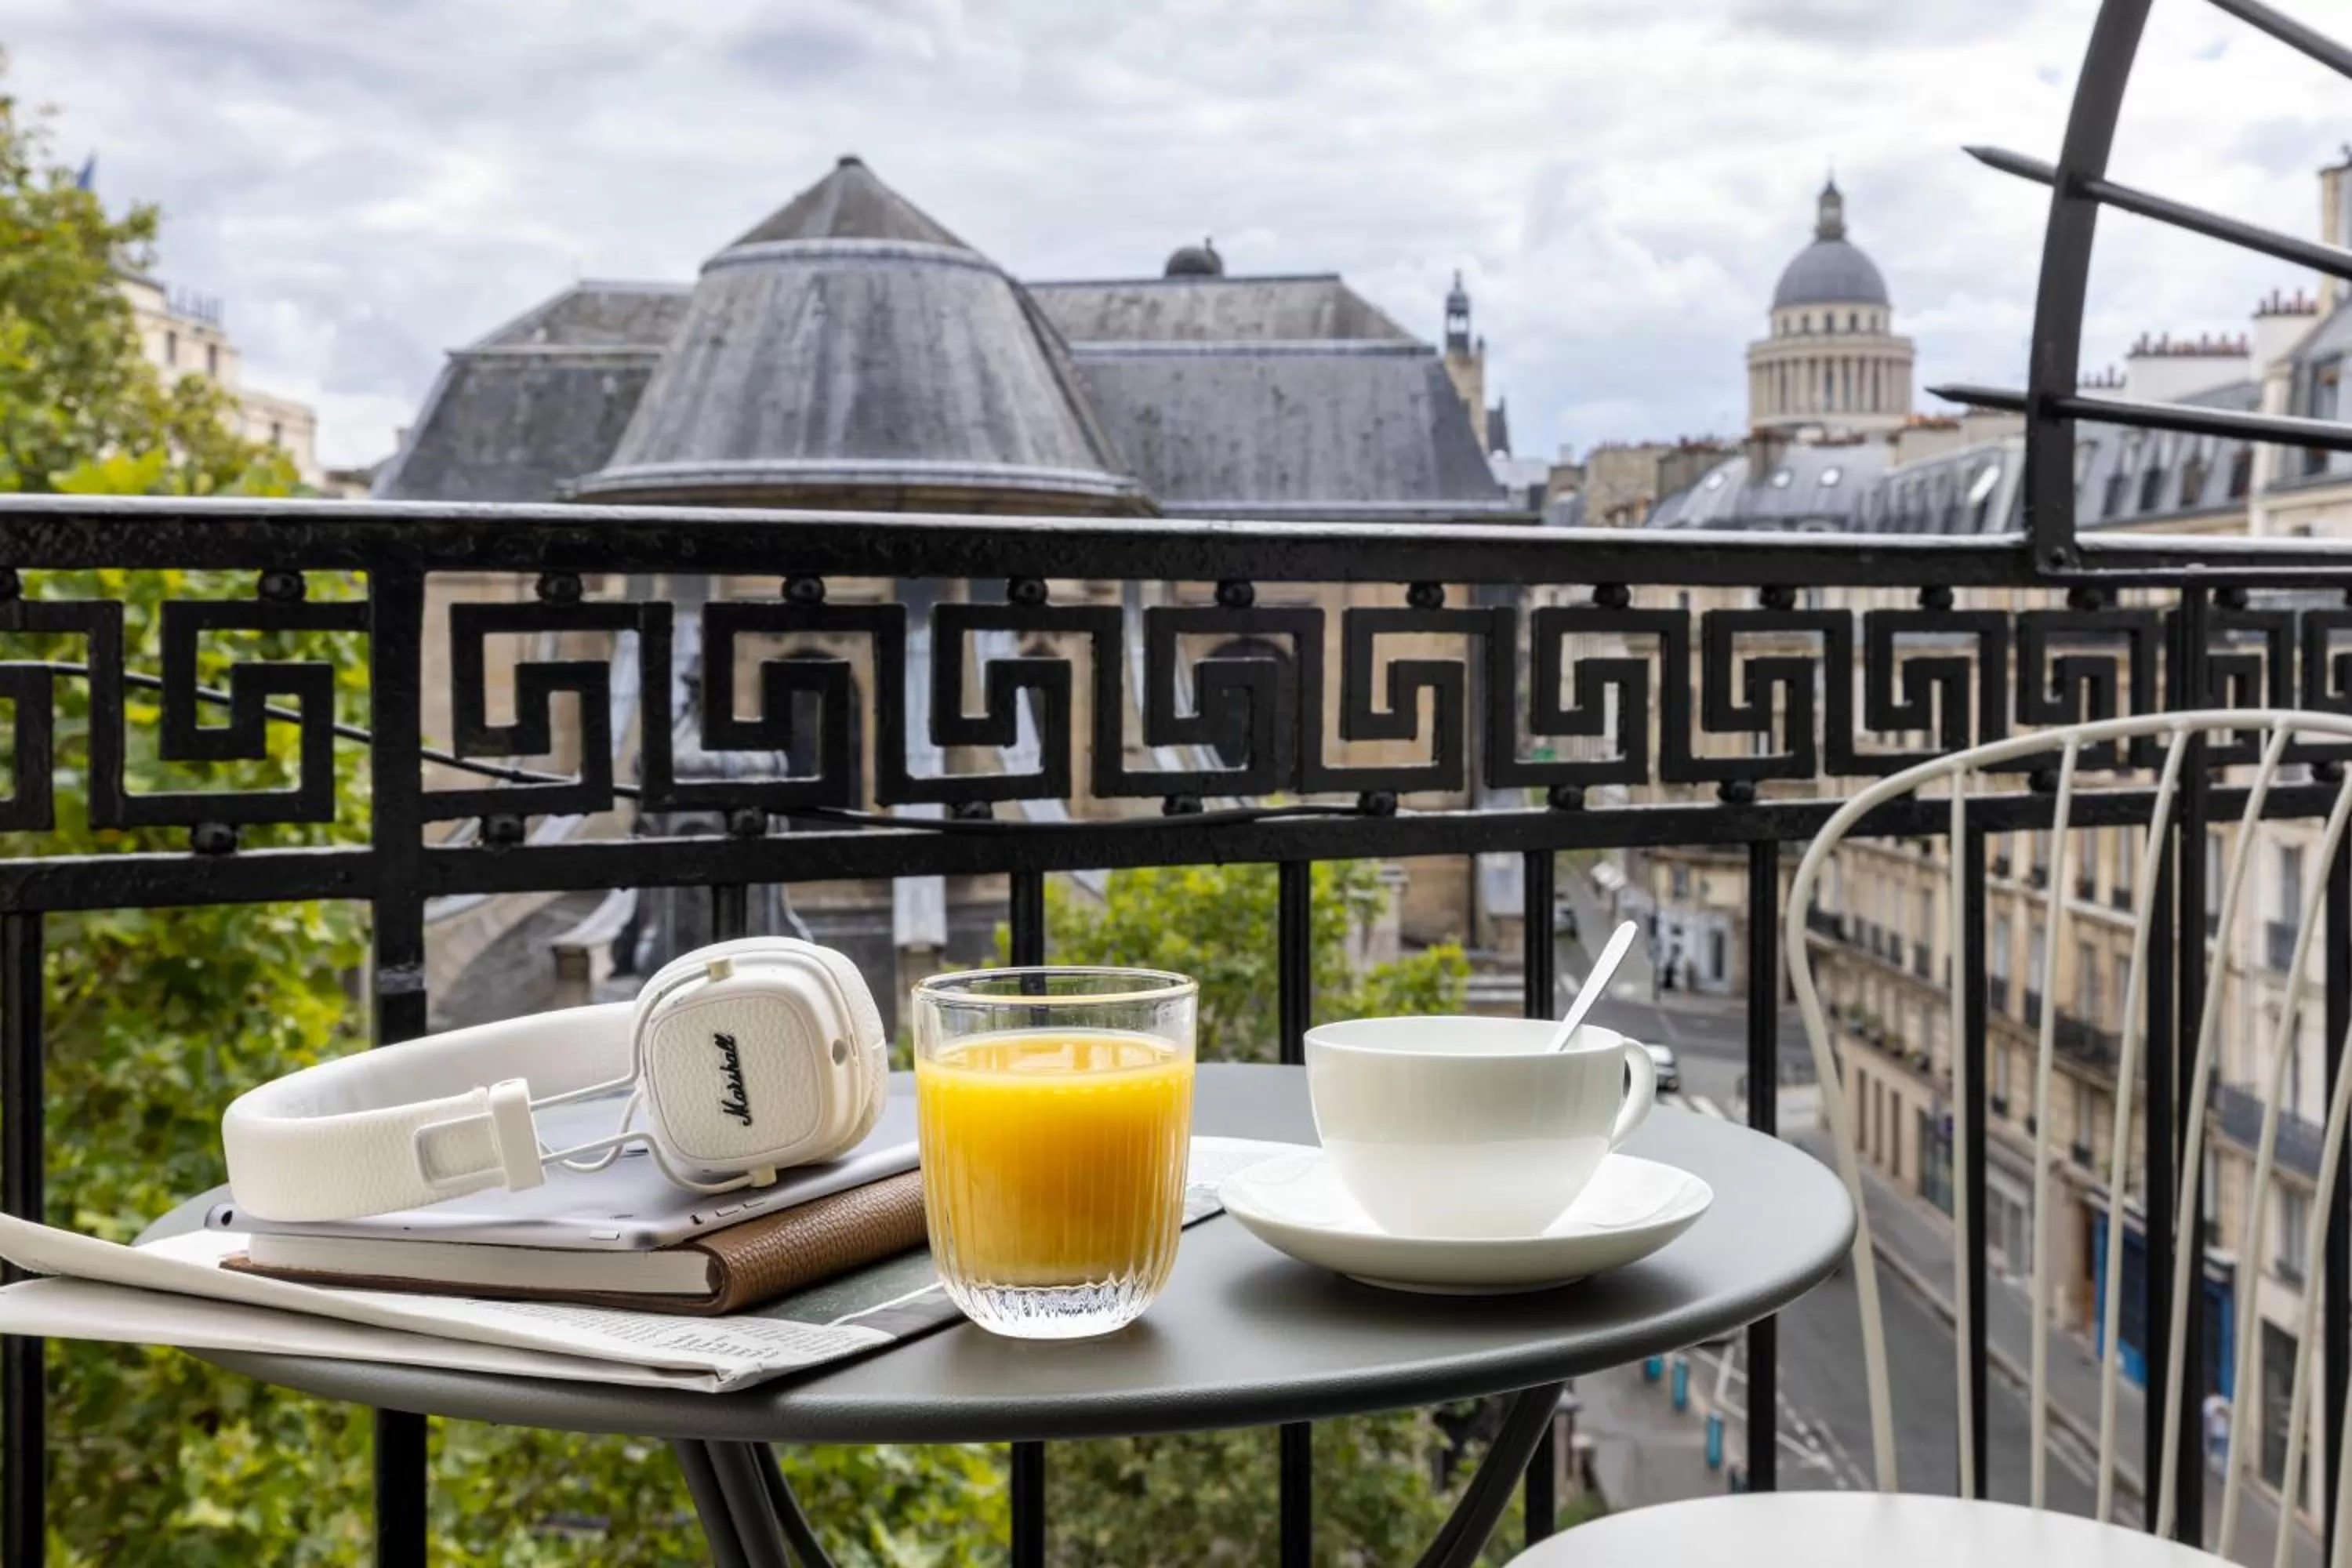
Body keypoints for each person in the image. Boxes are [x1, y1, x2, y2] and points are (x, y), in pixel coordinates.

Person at [2203, 1391, 2230, 1472]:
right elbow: (2229, 1415)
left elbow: (2207, 1419)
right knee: (2223, 1454)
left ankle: (2218, 1470)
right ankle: (2223, 1471)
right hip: (2224, 1432)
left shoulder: (2208, 1402)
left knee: (2215, 1453)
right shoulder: (2224, 1401)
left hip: (2213, 1433)